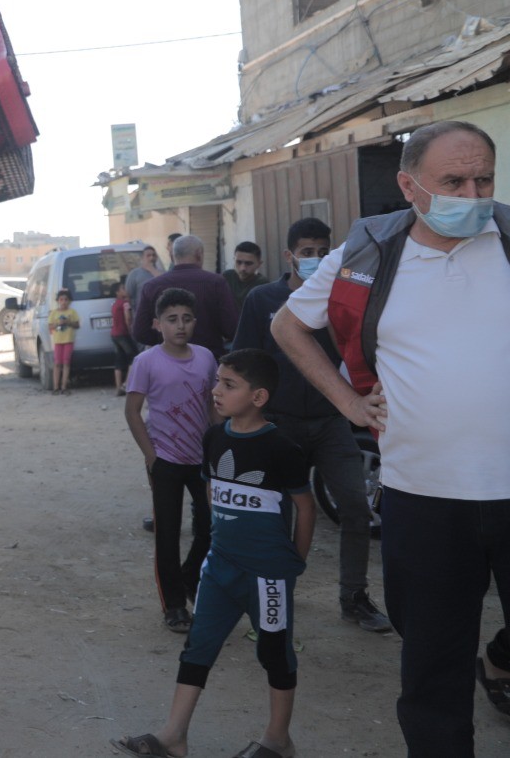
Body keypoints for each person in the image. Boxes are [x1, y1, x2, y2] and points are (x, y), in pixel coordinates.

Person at [271, 120, 510, 756]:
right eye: (453, 181)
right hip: (423, 498)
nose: (473, 191)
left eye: (483, 177)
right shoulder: (369, 257)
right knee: (431, 668)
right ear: (408, 185)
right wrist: (348, 402)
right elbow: (288, 326)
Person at [115, 349, 314, 758]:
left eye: (228, 384)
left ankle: (279, 741)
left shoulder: (281, 447)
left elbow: (305, 507)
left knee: (275, 652)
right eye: (217, 381)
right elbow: (210, 490)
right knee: (198, 647)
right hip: (219, 569)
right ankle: (174, 736)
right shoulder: (214, 437)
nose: (215, 390)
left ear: (258, 397)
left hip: (268, 575)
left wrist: (294, 561)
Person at [233, 217, 390, 633]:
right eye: (307, 252)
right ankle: (275, 594)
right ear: (289, 256)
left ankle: (354, 597)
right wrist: (245, 422)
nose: (316, 259)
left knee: (356, 509)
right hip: (279, 426)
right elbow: (244, 362)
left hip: (332, 422)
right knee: (277, 513)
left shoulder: (341, 296)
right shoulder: (262, 299)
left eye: (323, 251)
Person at [125, 287, 218, 633]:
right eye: (172, 319)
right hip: (165, 460)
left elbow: (213, 403)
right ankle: (174, 606)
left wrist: (218, 445)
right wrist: (151, 456)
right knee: (167, 533)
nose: (180, 326)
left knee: (211, 525)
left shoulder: (206, 358)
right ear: (157, 324)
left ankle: (189, 574)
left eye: (187, 319)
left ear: (195, 322)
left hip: (202, 460)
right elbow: (132, 411)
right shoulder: (146, 362)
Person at [132, 235, 238, 357]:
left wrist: (165, 342)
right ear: (199, 254)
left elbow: (140, 333)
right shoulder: (216, 283)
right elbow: (232, 329)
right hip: (209, 362)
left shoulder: (152, 286)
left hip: (167, 363)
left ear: (172, 256)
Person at [48, 288, 80, 395]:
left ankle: (64, 386)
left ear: (69, 301)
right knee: (57, 363)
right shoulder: (54, 313)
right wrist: (57, 324)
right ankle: (56, 387)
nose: (63, 302)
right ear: (58, 301)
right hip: (58, 341)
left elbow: (77, 325)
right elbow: (50, 326)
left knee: (66, 363)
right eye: (61, 300)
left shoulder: (72, 312)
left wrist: (68, 322)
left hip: (68, 340)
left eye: (66, 300)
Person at [222, 241, 267, 311]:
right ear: (234, 260)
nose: (243, 268)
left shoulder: (263, 285)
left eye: (248, 263)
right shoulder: (226, 277)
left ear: (259, 264)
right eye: (238, 262)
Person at [111, 283, 136, 396]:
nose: (125, 290)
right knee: (133, 357)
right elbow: (128, 317)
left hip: (114, 334)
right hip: (123, 334)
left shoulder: (115, 303)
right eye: (123, 288)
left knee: (119, 359)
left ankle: (118, 387)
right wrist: (130, 329)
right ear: (117, 292)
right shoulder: (125, 303)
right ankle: (126, 384)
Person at [125, 245, 162, 317]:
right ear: (142, 258)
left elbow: (165, 286)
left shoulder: (162, 273)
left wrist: (151, 269)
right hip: (142, 315)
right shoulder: (134, 274)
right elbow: (128, 295)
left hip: (159, 315)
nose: (151, 258)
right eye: (148, 255)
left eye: (153, 255)